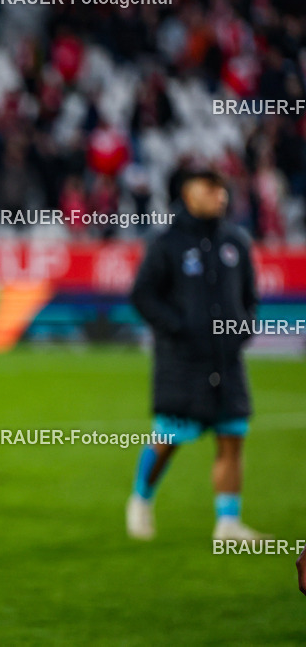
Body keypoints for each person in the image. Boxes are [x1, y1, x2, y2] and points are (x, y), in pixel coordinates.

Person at [127, 168, 266, 541]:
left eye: (222, 189)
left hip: (227, 363)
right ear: (188, 193)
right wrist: (178, 328)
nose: (219, 195)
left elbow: (250, 296)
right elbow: (143, 295)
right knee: (169, 439)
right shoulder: (167, 242)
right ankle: (141, 500)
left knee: (232, 437)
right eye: (210, 188)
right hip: (182, 364)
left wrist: (242, 328)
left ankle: (228, 522)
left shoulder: (236, 240)